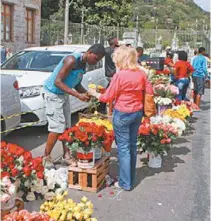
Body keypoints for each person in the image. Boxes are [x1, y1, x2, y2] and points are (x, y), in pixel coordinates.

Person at [88, 46, 153, 191]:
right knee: (132, 146)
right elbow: (149, 91)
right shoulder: (141, 74)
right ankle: (130, 178)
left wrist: (94, 93)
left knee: (123, 148)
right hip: (137, 112)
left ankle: (125, 183)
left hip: (122, 113)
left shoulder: (120, 75)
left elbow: (107, 97)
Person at [43, 44, 105, 168]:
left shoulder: (83, 64)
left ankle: (66, 155)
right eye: (96, 58)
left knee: (66, 127)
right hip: (53, 94)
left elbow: (76, 83)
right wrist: (78, 95)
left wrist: (86, 93)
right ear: (89, 52)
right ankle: (46, 157)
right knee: (56, 128)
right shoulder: (71, 60)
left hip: (63, 95)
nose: (96, 62)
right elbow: (58, 82)